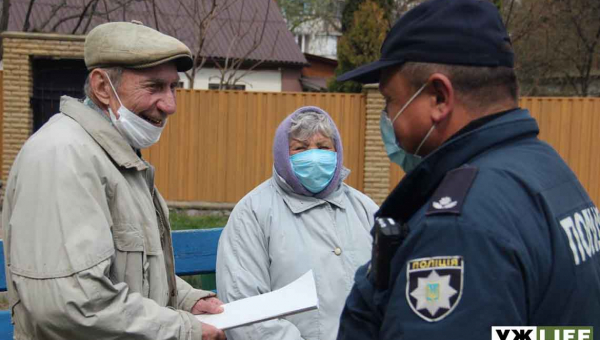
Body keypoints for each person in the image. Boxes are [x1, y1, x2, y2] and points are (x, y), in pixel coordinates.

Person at [335, 0, 600, 338]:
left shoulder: (459, 226)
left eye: (390, 100)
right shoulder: (548, 171)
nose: (388, 119)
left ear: (439, 98)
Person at [2, 21, 226, 340]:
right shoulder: (63, 157)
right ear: (102, 87)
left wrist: (187, 298)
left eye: (173, 87)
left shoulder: (113, 157)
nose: (171, 105)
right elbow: (73, 303)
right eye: (154, 87)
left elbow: (128, 270)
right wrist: (182, 329)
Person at [215, 106, 378, 340]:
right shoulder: (252, 213)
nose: (313, 156)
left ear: (337, 152)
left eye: (322, 147)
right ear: (282, 153)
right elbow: (246, 310)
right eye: (300, 148)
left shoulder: (364, 208)